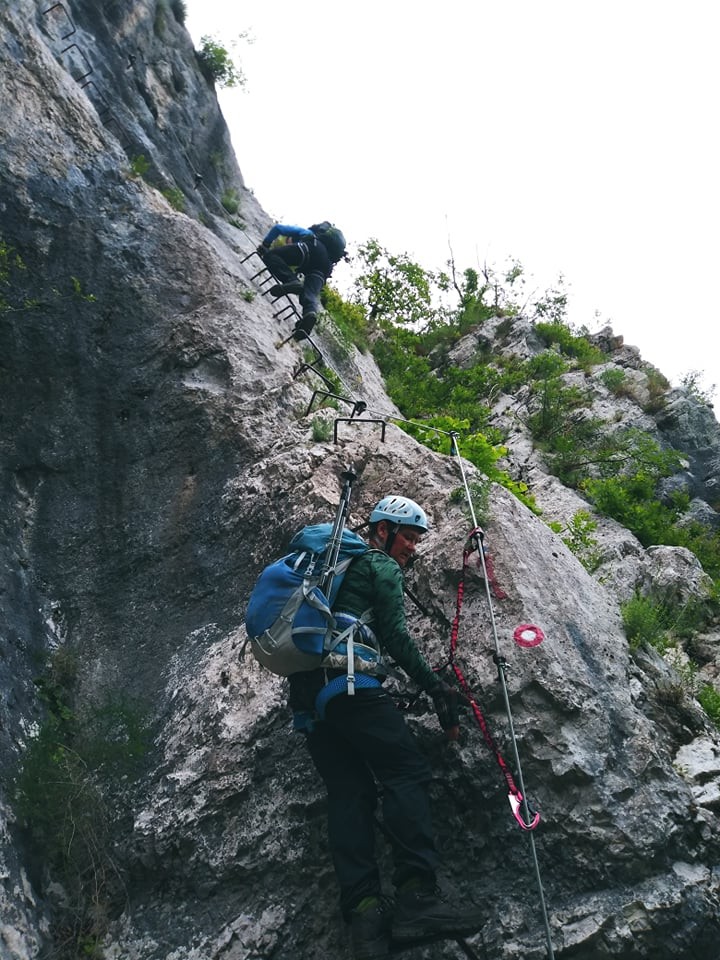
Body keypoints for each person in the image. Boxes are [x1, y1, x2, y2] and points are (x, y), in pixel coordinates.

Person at [288, 496, 484, 960]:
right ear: (381, 530)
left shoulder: (330, 573)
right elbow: (395, 636)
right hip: (350, 684)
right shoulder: (378, 566)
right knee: (406, 771)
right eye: (408, 537)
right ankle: (417, 896)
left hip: (308, 698)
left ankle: (366, 918)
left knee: (350, 794)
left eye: (416, 540)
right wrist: (437, 688)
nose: (412, 548)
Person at [256, 222, 347, 339]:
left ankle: (291, 280)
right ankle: (307, 321)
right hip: (326, 267)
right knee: (310, 295)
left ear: (290, 238)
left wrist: (265, 245)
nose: (288, 244)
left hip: (313, 248)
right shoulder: (329, 253)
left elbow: (278, 228)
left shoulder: (307, 233)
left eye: (288, 241)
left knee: (271, 256)